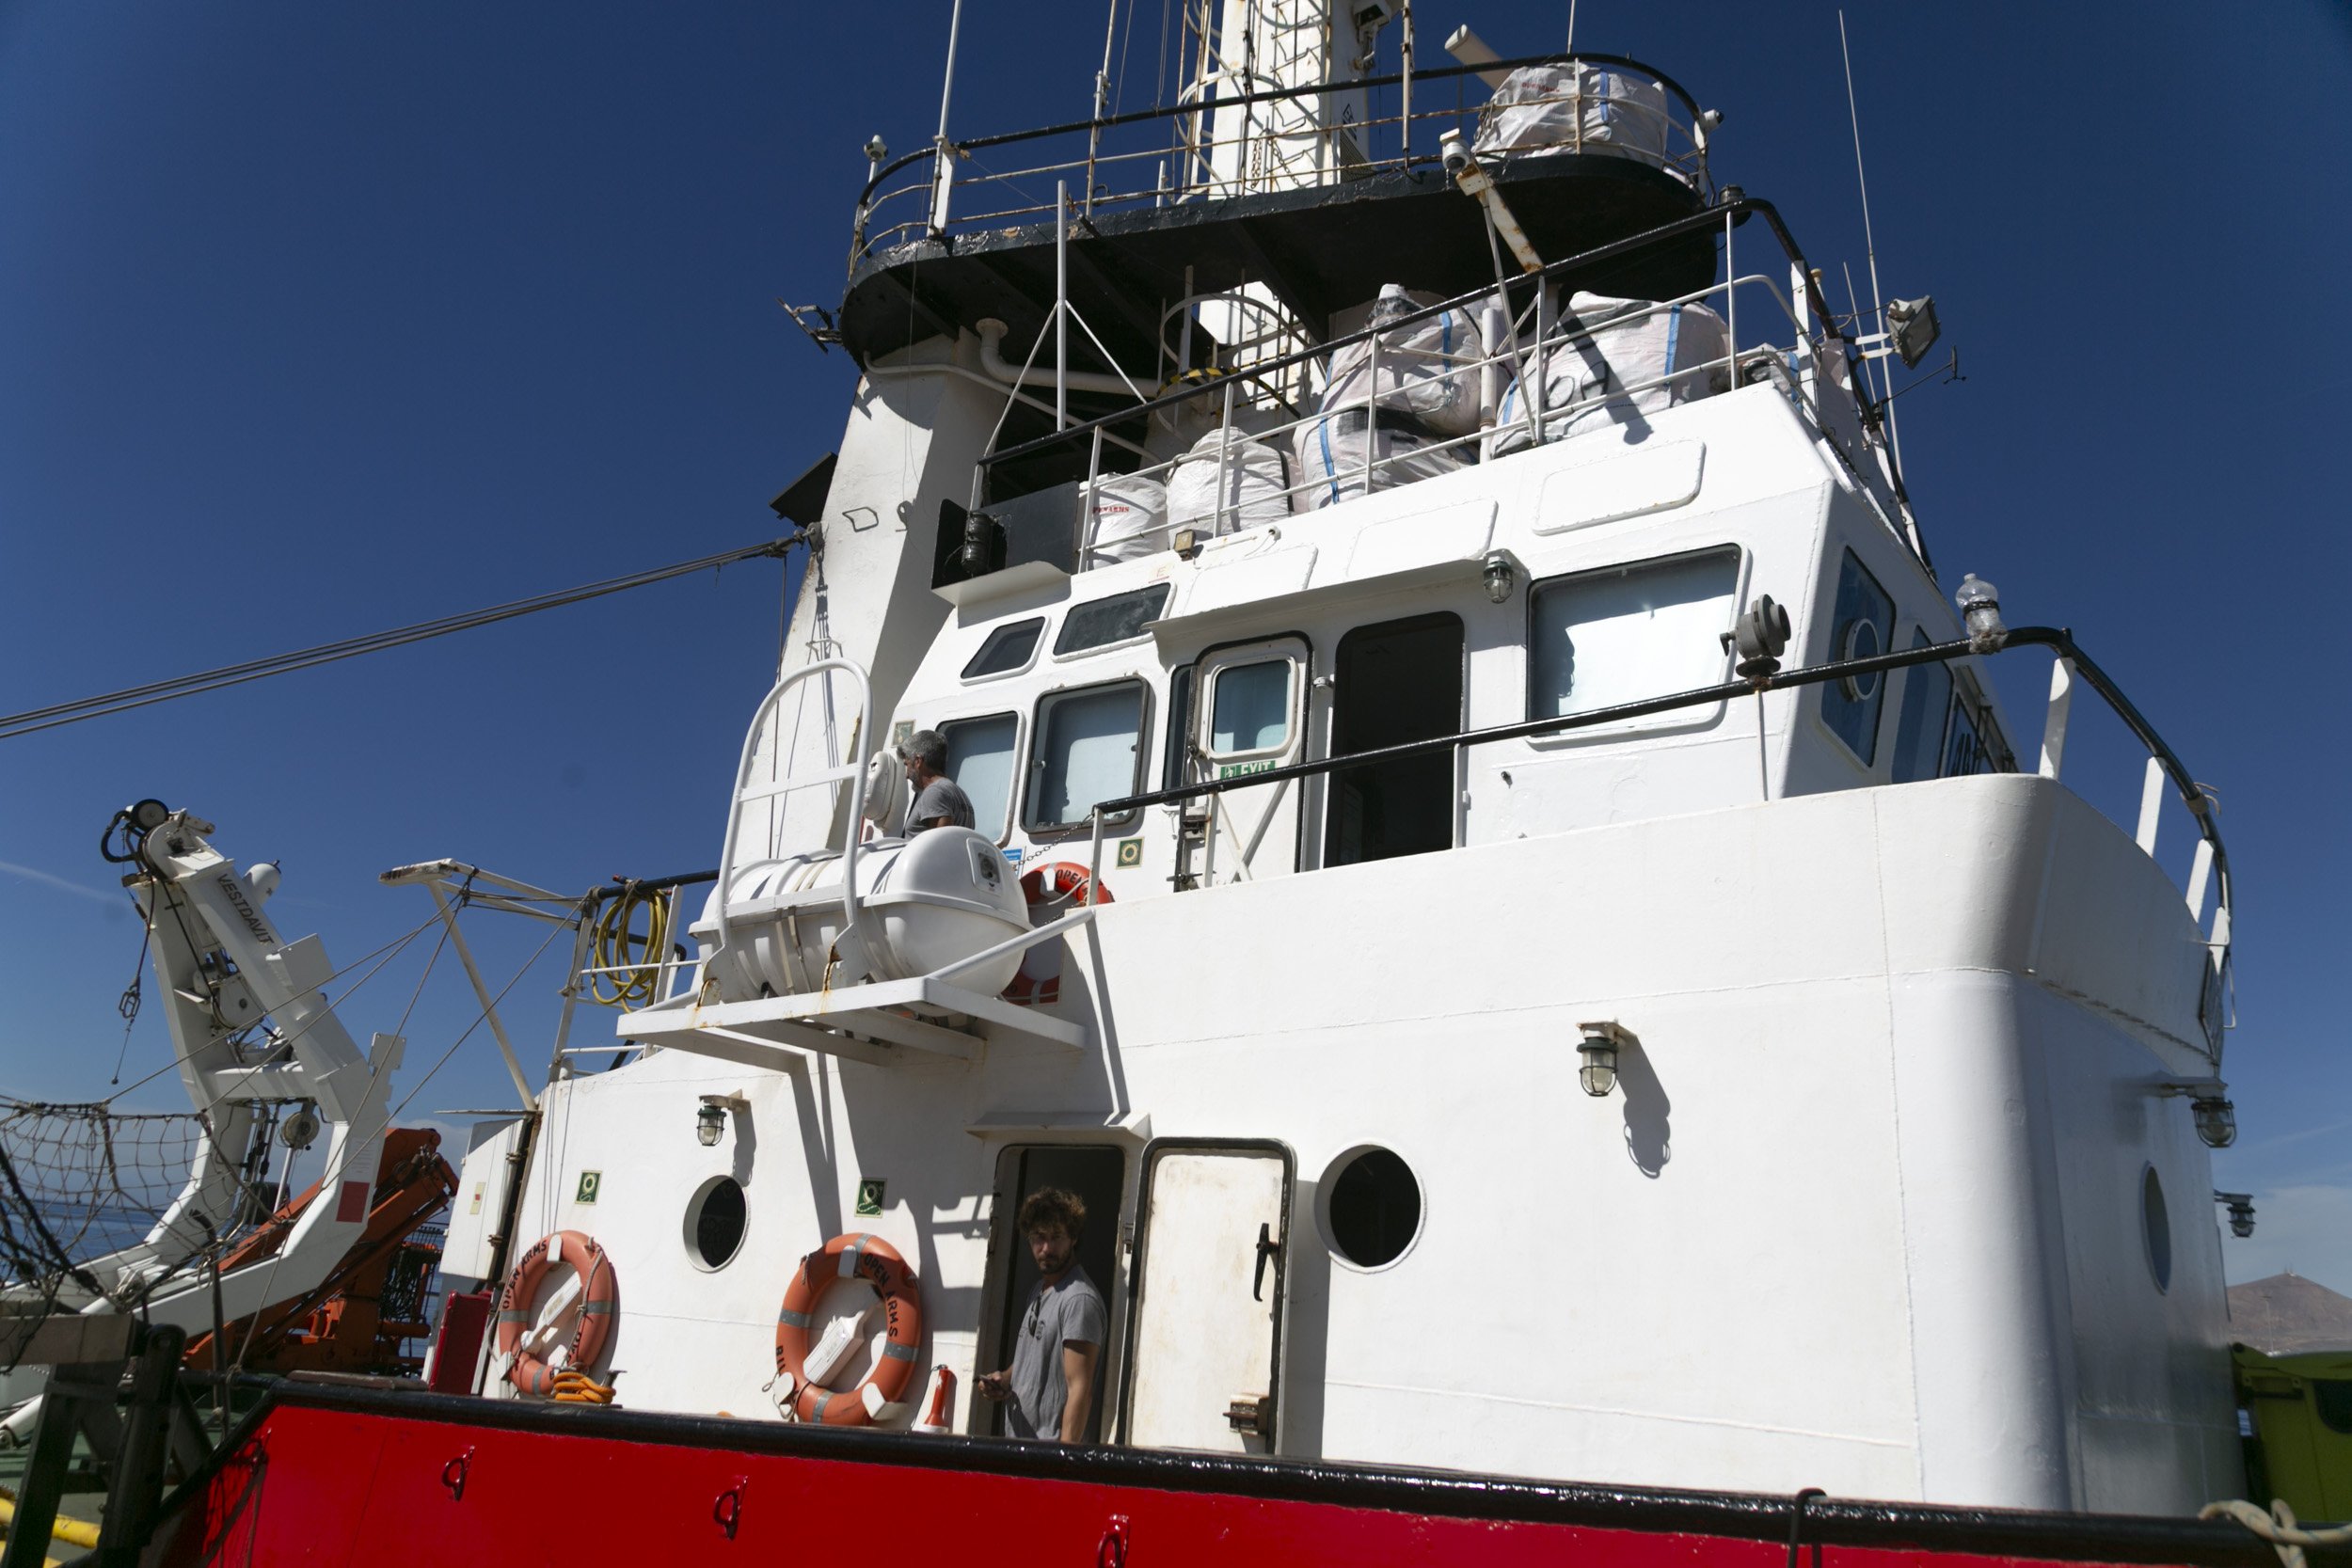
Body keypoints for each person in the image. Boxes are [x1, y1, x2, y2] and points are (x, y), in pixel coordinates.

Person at [977, 1187, 1105, 1443]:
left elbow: (1080, 1390)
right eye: (1039, 1237)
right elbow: (1035, 1357)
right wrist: (1004, 1379)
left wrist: (1063, 1459)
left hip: (1048, 1453)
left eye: (1056, 1237)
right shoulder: (1039, 1289)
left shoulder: (1078, 1300)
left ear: (1073, 1238)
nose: (1046, 1248)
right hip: (1022, 1446)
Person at [899, 729, 975, 833]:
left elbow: (939, 841)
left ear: (918, 761)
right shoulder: (960, 794)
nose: (906, 775)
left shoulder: (934, 792)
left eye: (906, 764)